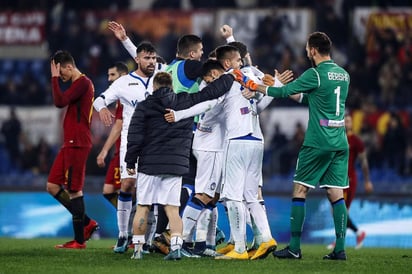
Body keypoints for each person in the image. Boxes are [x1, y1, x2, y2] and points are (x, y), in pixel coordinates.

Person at [235, 31, 350, 260]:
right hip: (339, 141)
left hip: (318, 141)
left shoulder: (315, 74)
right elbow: (309, 99)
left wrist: (257, 86)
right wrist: (282, 88)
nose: (306, 52)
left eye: (308, 48)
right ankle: (340, 250)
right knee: (335, 193)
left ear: (313, 50)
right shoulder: (343, 75)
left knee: (300, 190)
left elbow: (284, 91)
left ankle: (295, 247)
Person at [124, 71, 236, 260]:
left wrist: (129, 160)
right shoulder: (183, 101)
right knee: (172, 209)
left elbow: (135, 135)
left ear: (154, 87)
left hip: (149, 165)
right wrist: (232, 74)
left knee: (143, 206)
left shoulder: (144, 106)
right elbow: (211, 92)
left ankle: (137, 250)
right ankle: (176, 247)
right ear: (172, 87)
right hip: (175, 166)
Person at [93, 41, 164, 254]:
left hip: (156, 142)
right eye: (147, 58)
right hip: (131, 142)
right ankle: (123, 234)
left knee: (153, 191)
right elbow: (99, 100)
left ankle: (150, 240)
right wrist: (103, 109)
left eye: (153, 58)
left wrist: (124, 39)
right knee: (126, 185)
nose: (151, 62)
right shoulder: (124, 82)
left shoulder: (162, 76)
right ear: (137, 59)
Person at [47, 50, 98, 249]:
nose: (61, 78)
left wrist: (53, 79)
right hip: (70, 142)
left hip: (77, 141)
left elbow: (59, 101)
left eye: (62, 74)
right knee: (52, 185)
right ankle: (87, 222)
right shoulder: (79, 85)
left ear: (69, 66)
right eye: (58, 76)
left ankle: (79, 241)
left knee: (74, 189)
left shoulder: (83, 83)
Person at [327, 113, 373, 250]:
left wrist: (367, 181)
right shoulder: (336, 137)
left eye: (348, 121)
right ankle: (352, 235)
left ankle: (349, 236)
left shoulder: (356, 141)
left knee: (340, 210)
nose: (346, 123)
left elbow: (364, 162)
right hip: (337, 178)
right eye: (344, 121)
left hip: (349, 179)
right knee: (336, 210)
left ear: (352, 124)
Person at [96, 62, 129, 209]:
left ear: (123, 76)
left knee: (125, 189)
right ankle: (133, 218)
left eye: (112, 75)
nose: (109, 79)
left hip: (127, 150)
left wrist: (104, 151)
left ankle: (137, 221)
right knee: (110, 191)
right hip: (120, 149)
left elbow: (118, 126)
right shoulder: (119, 97)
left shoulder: (125, 96)